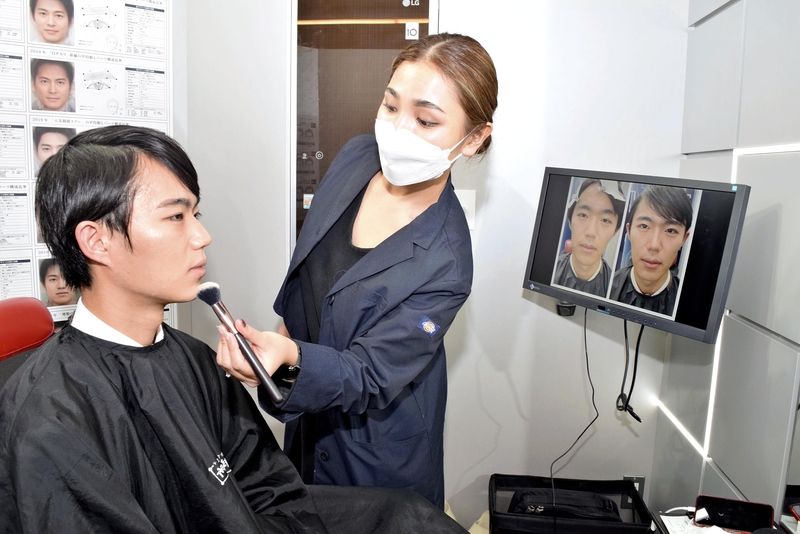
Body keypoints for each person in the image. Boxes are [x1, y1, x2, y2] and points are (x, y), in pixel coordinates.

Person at [0, 125, 465, 533]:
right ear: (96, 240)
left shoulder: (196, 361)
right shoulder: (47, 419)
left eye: (196, 215)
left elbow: (271, 491)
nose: (202, 236)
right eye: (176, 216)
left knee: (409, 516)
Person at [216, 33, 498, 509]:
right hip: (309, 421)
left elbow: (369, 374)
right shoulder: (356, 156)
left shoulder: (446, 261)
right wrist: (276, 347)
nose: (398, 129)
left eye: (426, 120)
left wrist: (291, 358)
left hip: (375, 452)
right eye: (391, 106)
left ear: (473, 139)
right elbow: (309, 270)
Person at [609, 185, 693, 315]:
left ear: (683, 239)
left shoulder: (691, 308)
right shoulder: (605, 288)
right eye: (644, 226)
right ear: (629, 231)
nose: (654, 245)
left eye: (670, 230)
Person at [553, 179, 626, 297]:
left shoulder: (616, 293)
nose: (591, 232)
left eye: (605, 220)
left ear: (615, 230)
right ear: (570, 220)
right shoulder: (547, 272)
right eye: (583, 215)